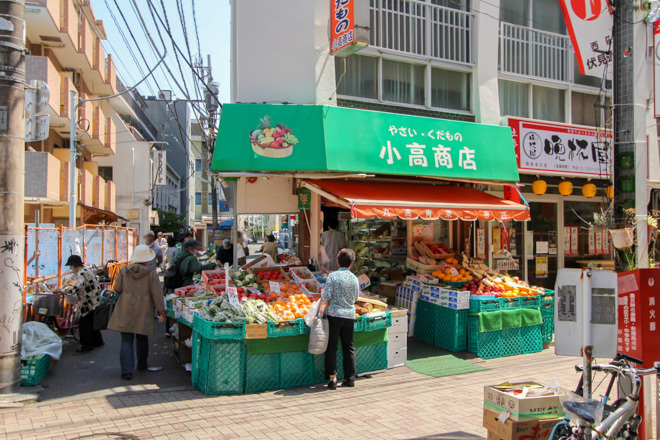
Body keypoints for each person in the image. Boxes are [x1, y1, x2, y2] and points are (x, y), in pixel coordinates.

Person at [108, 245, 166, 380]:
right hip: (144, 307)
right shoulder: (151, 273)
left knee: (126, 338)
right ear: (147, 259)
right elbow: (157, 293)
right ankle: (141, 364)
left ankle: (127, 370)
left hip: (125, 306)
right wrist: (161, 310)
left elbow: (117, 288)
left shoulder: (123, 270)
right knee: (142, 336)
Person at [321, 248, 359, 390]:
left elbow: (326, 296)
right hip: (349, 315)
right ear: (351, 263)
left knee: (332, 347)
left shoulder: (333, 276)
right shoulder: (354, 278)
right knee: (349, 347)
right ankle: (350, 378)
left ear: (337, 261)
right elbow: (356, 298)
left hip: (334, 316)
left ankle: (332, 379)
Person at [53, 255, 104, 352]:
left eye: (71, 266)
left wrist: (62, 290)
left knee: (84, 324)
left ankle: (87, 345)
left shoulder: (80, 274)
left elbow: (77, 287)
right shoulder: (87, 271)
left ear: (75, 265)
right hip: (94, 299)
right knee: (92, 322)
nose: (71, 268)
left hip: (87, 303)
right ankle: (98, 341)